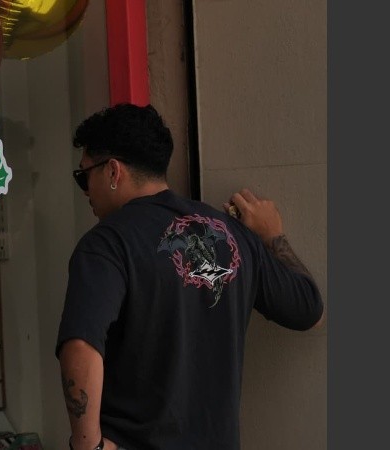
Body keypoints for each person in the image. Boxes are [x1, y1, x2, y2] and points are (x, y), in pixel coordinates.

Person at [55, 103, 324, 450]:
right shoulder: (234, 237)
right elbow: (309, 310)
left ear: (113, 171)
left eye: (84, 176)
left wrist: (87, 445)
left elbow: (81, 344)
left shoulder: (107, 243)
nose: (85, 191)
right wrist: (273, 237)